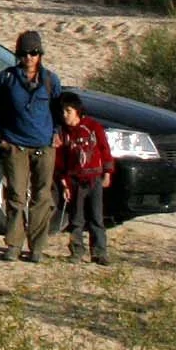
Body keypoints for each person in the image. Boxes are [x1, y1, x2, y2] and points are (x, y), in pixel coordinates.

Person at [0, 29, 62, 262]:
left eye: (34, 52)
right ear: (18, 54)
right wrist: (0, 136)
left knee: (42, 196)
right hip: (15, 145)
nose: (29, 57)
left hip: (44, 145)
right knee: (16, 196)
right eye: (25, 53)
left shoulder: (50, 80)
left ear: (40, 54)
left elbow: (58, 110)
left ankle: (37, 247)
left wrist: (57, 133)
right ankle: (14, 244)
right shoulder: (6, 79)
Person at [53, 91, 114, 264]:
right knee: (76, 219)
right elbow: (60, 160)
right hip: (74, 181)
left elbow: (104, 150)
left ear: (77, 111)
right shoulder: (63, 134)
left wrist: (107, 173)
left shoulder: (93, 128)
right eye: (63, 111)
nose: (65, 115)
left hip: (94, 178)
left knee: (96, 218)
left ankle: (99, 252)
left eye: (68, 111)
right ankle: (76, 251)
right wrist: (64, 183)